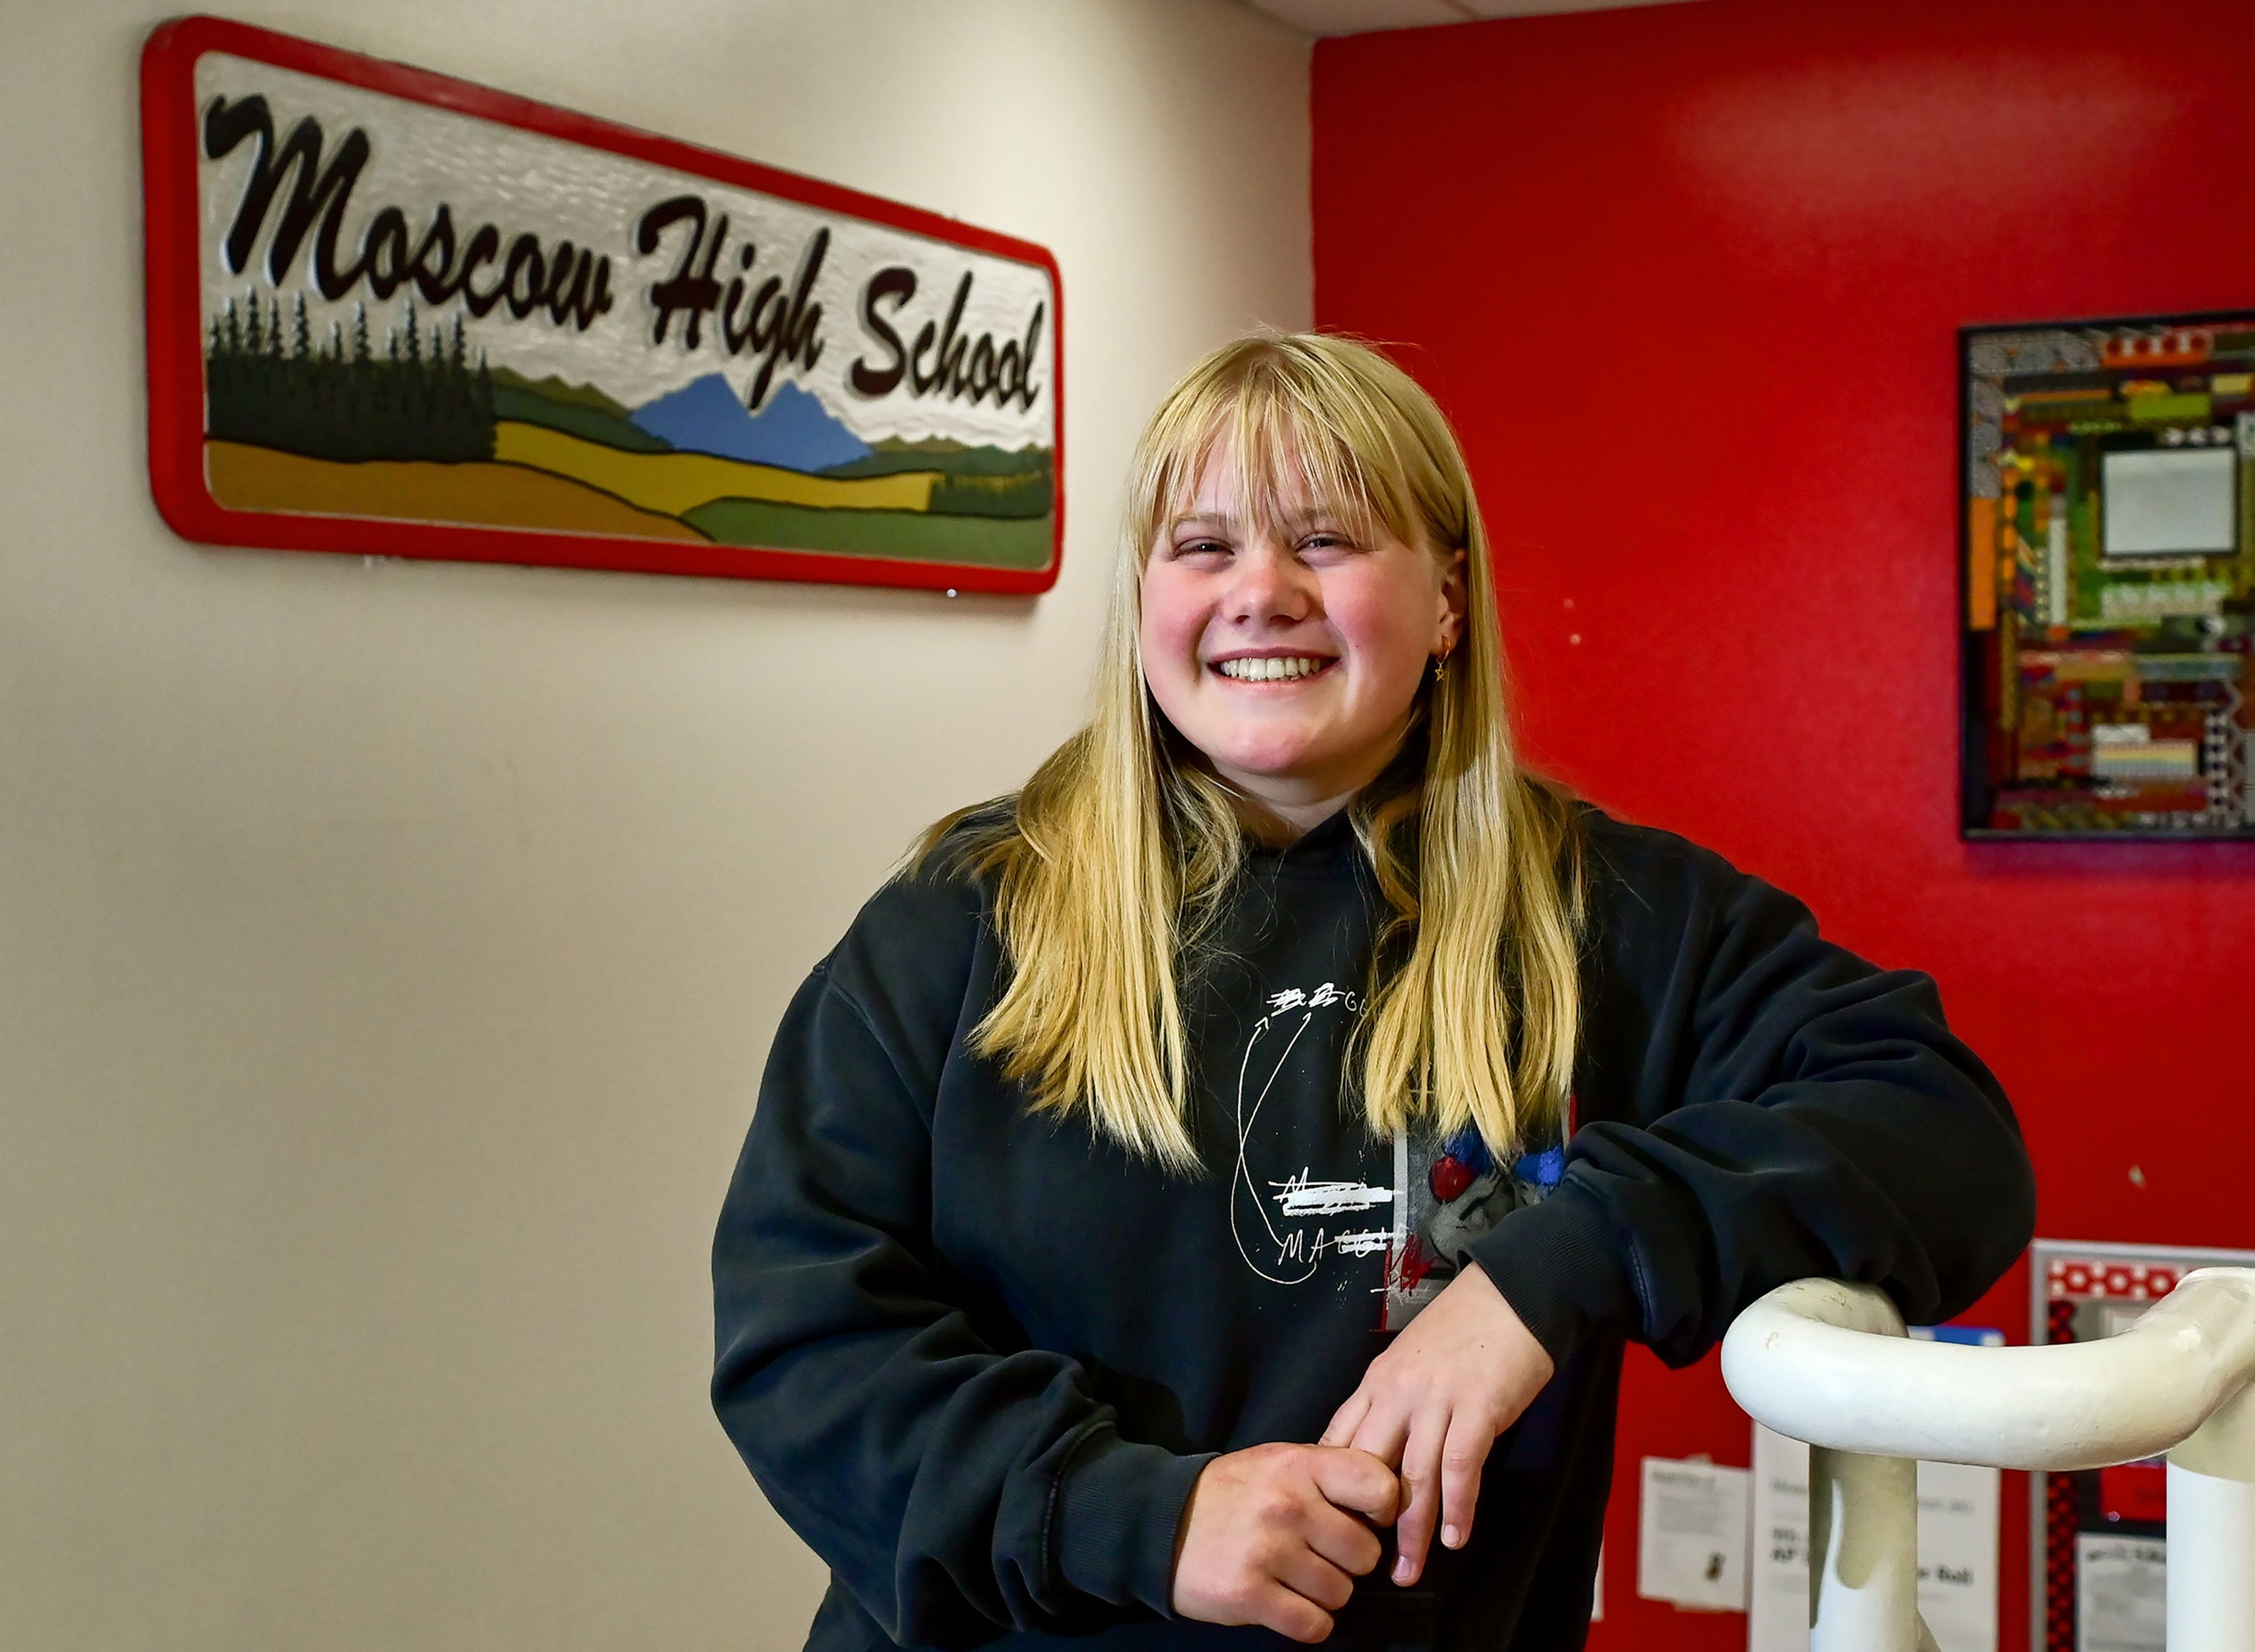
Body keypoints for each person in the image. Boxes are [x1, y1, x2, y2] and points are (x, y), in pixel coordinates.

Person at [711, 332, 2035, 1652]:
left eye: (1327, 539)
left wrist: (1558, 1264)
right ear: (1147, 598)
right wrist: (1134, 1519)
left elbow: (1943, 1137)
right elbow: (805, 1342)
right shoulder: (964, 919)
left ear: (1448, 599)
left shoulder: (1608, 917)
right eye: (1206, 546)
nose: (1262, 592)